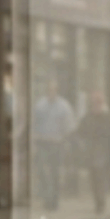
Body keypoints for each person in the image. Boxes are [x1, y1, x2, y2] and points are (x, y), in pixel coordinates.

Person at [30, 79, 77, 211]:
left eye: (53, 90)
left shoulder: (64, 106)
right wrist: (34, 139)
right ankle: (47, 198)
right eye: (49, 90)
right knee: (42, 171)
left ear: (57, 91)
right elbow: (34, 123)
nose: (51, 92)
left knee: (55, 172)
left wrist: (65, 141)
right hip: (42, 142)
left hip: (57, 144)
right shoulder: (40, 105)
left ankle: (54, 201)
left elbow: (69, 126)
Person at [73, 92, 110, 215]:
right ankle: (98, 201)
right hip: (91, 151)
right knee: (94, 178)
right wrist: (81, 144)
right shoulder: (87, 118)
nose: (96, 106)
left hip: (103, 151)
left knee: (100, 176)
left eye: (98, 103)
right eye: (94, 104)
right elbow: (80, 132)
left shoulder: (107, 118)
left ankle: (100, 203)